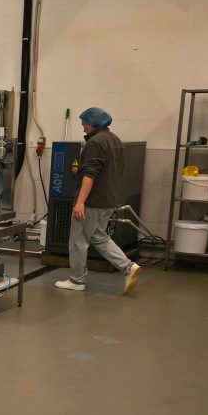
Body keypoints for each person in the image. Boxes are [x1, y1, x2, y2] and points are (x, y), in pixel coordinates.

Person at [54, 107, 142, 295]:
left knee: (78, 241)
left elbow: (89, 174)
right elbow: (118, 170)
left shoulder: (95, 143)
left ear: (95, 124)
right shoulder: (115, 140)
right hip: (108, 200)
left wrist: (80, 202)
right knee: (99, 237)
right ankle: (128, 267)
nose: (83, 127)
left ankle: (77, 280)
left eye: (85, 123)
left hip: (92, 201)